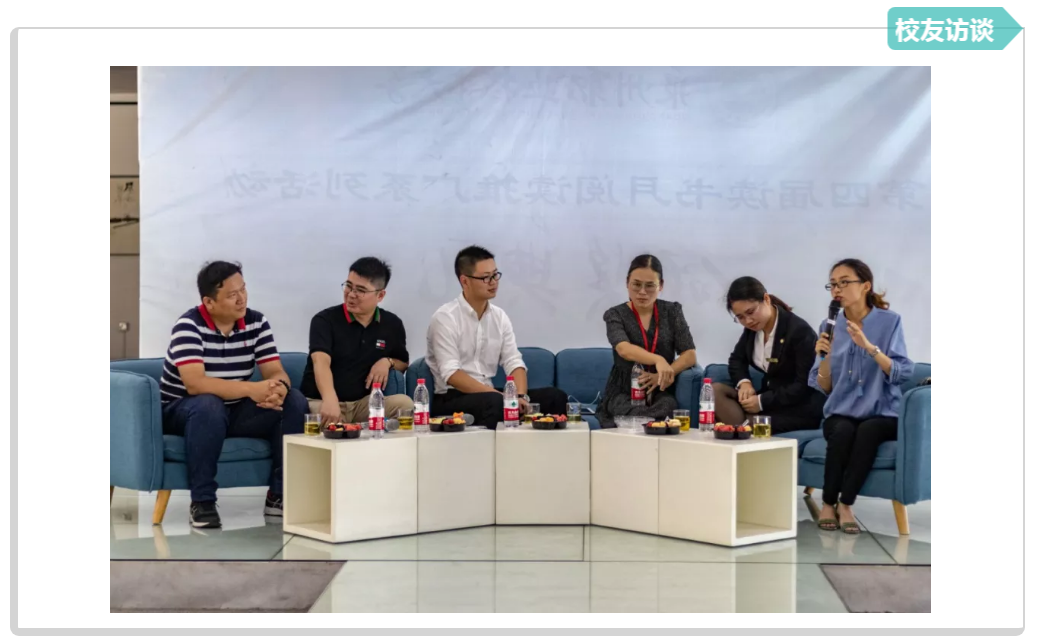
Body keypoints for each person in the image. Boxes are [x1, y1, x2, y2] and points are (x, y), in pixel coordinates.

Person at [159, 261, 307, 529]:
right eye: (231, 295)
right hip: (182, 410)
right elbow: (195, 385)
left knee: (294, 401)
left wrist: (279, 389)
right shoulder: (188, 326)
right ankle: (202, 501)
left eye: (243, 289)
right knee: (208, 405)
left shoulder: (256, 322)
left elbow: (275, 370)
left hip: (232, 410)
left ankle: (279, 496)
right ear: (209, 302)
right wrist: (252, 389)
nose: (242, 299)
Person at [808, 259, 914, 535]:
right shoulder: (829, 325)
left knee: (868, 430)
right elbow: (823, 386)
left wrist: (868, 346)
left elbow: (902, 373)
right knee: (842, 431)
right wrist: (826, 357)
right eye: (833, 284)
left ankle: (845, 504)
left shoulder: (890, 322)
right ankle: (828, 503)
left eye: (844, 282)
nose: (837, 289)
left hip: (884, 413)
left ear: (866, 286)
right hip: (841, 411)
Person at [426, 245, 568, 429]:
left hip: (491, 394)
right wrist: (504, 398)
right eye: (486, 277)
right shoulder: (445, 318)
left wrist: (520, 397)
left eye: (495, 275)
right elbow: (452, 374)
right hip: (452, 397)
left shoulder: (499, 317)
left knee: (555, 397)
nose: (493, 282)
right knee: (496, 402)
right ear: (465, 281)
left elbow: (513, 362)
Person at [300, 257, 414, 427]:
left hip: (363, 405)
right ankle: (356, 429)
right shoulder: (324, 320)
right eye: (348, 286)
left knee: (405, 404)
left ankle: (360, 430)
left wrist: (387, 362)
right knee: (315, 416)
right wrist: (330, 399)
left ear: (380, 295)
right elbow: (320, 362)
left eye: (360, 290)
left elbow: (403, 363)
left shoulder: (392, 324)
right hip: (323, 402)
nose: (351, 294)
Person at [595, 255, 698, 429]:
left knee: (668, 406)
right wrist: (658, 359)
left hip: (659, 390)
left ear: (661, 286)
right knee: (629, 409)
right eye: (636, 284)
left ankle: (642, 425)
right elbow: (624, 349)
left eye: (650, 286)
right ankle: (644, 424)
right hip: (624, 390)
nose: (642, 292)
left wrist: (662, 376)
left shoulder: (672, 312)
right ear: (627, 283)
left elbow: (689, 354)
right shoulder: (615, 314)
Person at [712, 277, 825, 433]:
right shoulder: (753, 329)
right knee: (714, 391)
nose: (748, 321)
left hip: (797, 409)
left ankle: (741, 430)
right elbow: (736, 359)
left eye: (750, 312)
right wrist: (744, 383)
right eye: (740, 317)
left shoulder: (799, 331)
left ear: (766, 299)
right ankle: (741, 429)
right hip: (768, 403)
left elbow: (803, 385)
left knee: (747, 423)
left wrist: (761, 402)